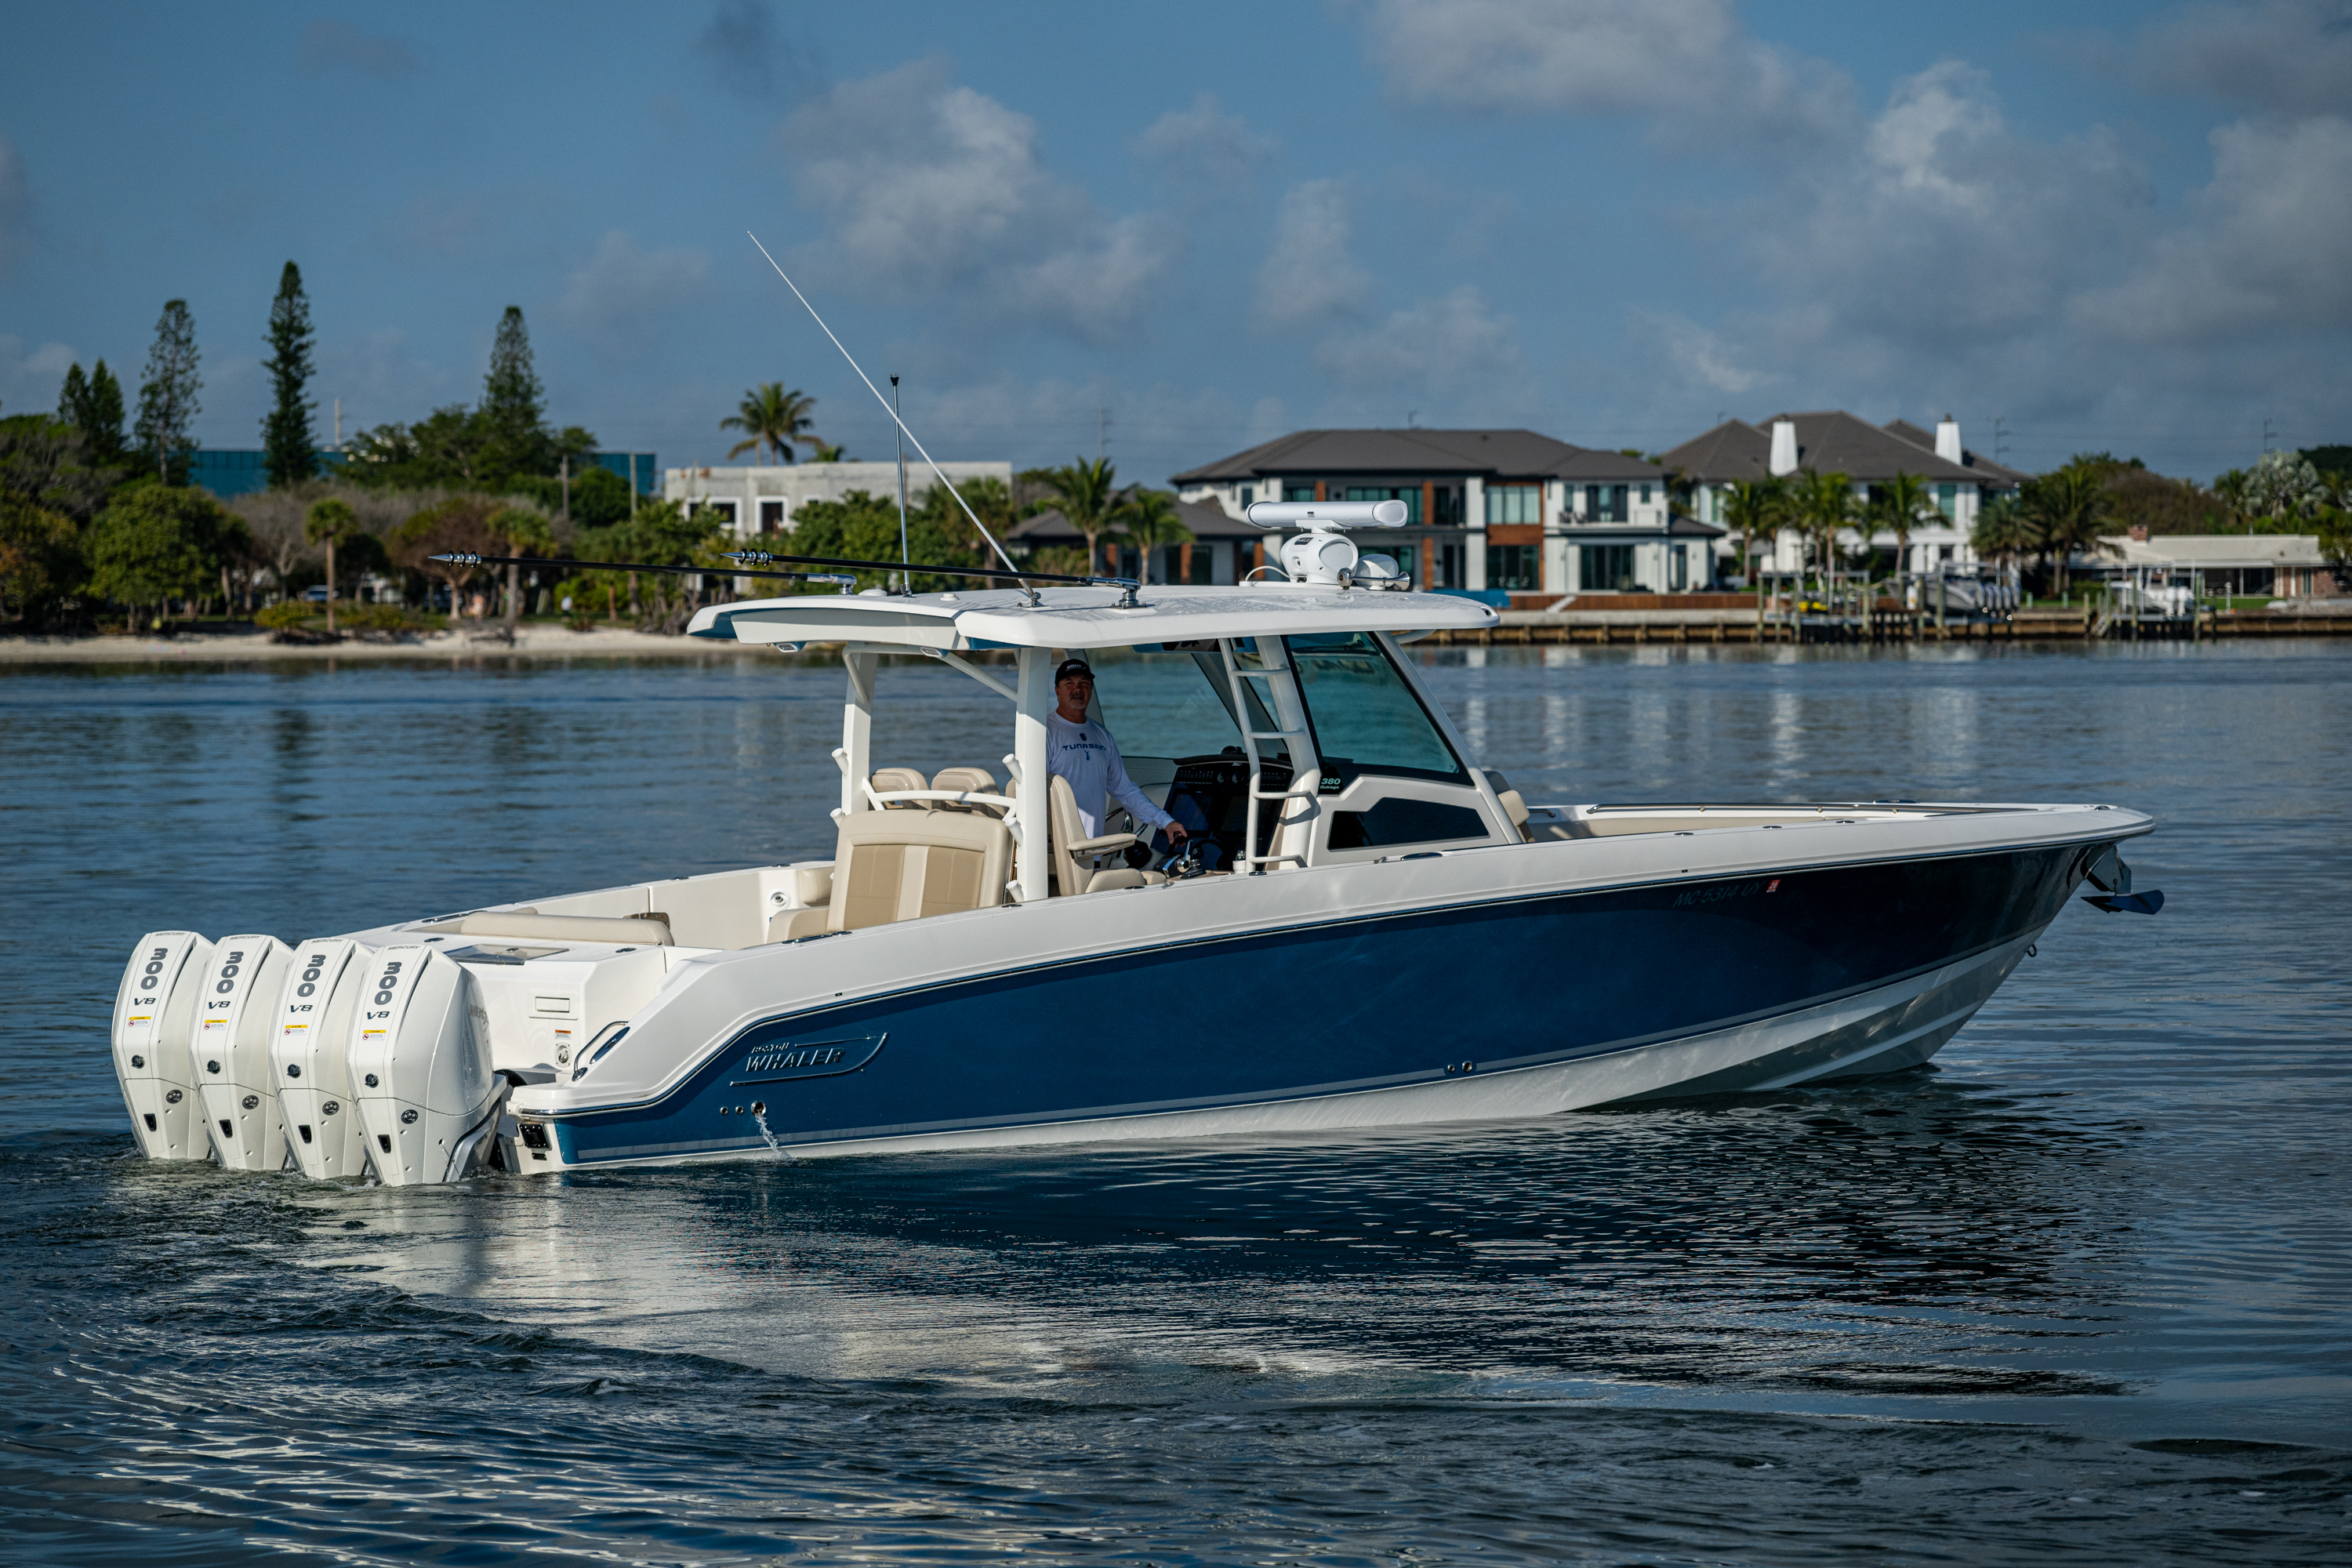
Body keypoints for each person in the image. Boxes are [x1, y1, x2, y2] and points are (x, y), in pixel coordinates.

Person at [1047, 658, 1186, 858]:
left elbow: (1125, 790)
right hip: (1056, 853)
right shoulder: (1045, 732)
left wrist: (1166, 822)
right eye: (1069, 683)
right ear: (1057, 690)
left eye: (1084, 683)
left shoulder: (1102, 735)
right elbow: (1034, 792)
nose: (1077, 689)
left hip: (1091, 852)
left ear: (1091, 690)